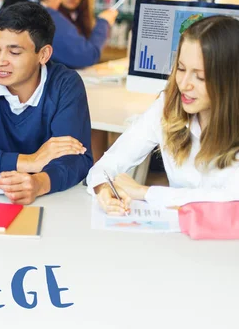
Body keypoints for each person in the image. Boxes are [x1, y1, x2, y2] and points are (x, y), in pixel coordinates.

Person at [0, 2, 93, 205]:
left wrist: (39, 183)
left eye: (14, 53)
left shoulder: (65, 85)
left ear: (43, 54)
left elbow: (76, 158)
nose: (0, 61)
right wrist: (30, 161)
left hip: (50, 201)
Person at [88, 15, 239, 214]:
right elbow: (109, 164)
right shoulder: (167, 107)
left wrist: (144, 192)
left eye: (200, 77)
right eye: (181, 69)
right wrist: (104, 188)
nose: (184, 84)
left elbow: (228, 199)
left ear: (230, 81)